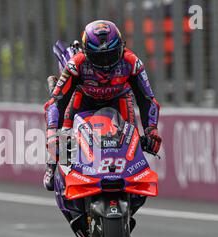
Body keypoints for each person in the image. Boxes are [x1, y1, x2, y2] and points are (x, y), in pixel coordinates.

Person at [43, 20, 162, 193]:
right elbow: (55, 102)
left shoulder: (132, 62)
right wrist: (52, 134)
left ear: (121, 48)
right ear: (86, 52)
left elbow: (148, 99)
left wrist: (151, 130)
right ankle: (52, 165)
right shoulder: (76, 64)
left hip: (118, 99)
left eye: (111, 54)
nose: (106, 63)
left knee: (132, 138)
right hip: (84, 99)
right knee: (63, 134)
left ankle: (131, 178)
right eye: (99, 56)